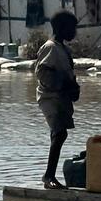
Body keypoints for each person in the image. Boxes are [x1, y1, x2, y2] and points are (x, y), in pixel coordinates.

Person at [35, 10, 80, 190]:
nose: (74, 32)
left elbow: (67, 73)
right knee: (59, 133)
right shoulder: (50, 47)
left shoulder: (62, 48)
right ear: (62, 28)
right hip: (50, 97)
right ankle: (49, 176)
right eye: (72, 28)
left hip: (60, 97)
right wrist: (64, 85)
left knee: (60, 134)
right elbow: (43, 73)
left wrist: (73, 87)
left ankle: (50, 175)